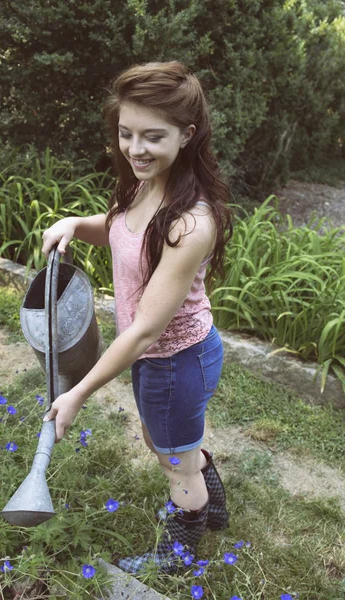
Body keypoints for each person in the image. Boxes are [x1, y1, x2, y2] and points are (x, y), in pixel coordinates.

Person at [41, 61, 233, 575]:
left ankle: (181, 550)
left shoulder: (192, 222)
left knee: (172, 459)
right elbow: (123, 231)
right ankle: (209, 495)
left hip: (173, 360)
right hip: (158, 360)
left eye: (153, 136)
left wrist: (78, 392)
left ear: (187, 135)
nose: (135, 149)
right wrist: (77, 224)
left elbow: (147, 327)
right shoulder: (146, 183)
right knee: (166, 441)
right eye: (126, 134)